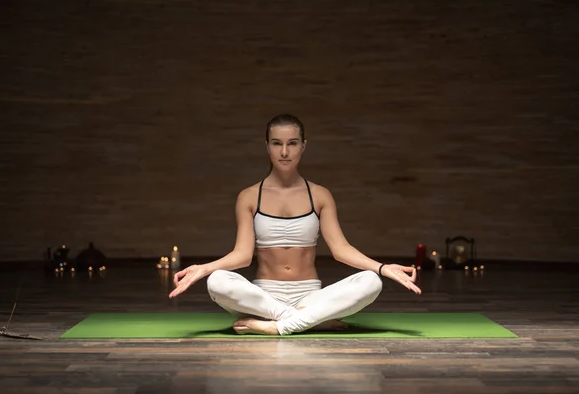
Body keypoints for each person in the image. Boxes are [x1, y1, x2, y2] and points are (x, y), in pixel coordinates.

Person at [169, 114, 422, 335]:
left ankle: (278, 325)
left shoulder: (320, 195)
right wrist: (204, 269)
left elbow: (341, 249)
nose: (284, 152)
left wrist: (382, 267)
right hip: (263, 297)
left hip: (310, 296)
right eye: (277, 143)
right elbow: (243, 256)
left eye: (292, 143)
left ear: (304, 146)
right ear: (267, 146)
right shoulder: (248, 196)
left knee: (372, 282)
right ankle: (308, 321)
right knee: (217, 281)